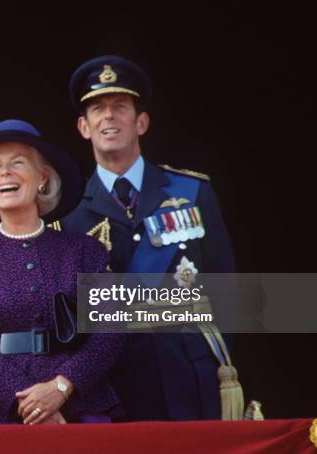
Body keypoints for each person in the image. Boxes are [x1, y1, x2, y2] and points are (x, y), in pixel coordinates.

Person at [61, 55, 239, 421]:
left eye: (120, 106)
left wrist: (211, 360)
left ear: (141, 122)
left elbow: (227, 289)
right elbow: (72, 314)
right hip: (112, 385)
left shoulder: (192, 191)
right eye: (97, 109)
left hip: (189, 375)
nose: (108, 116)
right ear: (83, 126)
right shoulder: (68, 213)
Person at [0, 119, 124, 425]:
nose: (4, 173)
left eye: (18, 162)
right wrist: (32, 403)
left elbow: (111, 333)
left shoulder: (85, 251)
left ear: (42, 177)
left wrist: (62, 387)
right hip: (2, 409)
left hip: (80, 402)